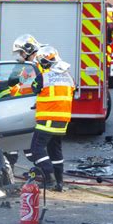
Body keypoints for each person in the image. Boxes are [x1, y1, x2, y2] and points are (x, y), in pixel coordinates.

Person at [29, 46, 75, 191]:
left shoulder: (44, 77)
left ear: (44, 62)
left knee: (36, 149)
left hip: (47, 120)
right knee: (55, 151)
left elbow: (34, 88)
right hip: (63, 122)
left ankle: (49, 177)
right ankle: (59, 182)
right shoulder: (68, 77)